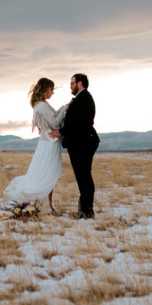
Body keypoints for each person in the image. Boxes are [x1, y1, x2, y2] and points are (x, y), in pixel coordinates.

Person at [3, 78, 68, 212]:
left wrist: (62, 109)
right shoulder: (42, 106)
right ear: (45, 89)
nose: (53, 93)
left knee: (48, 174)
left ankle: (48, 205)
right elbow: (55, 123)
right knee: (48, 174)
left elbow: (51, 120)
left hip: (48, 143)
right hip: (49, 145)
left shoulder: (40, 105)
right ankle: (46, 205)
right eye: (51, 89)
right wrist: (66, 107)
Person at [50, 73, 99, 218]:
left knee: (84, 176)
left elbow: (78, 122)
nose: (70, 86)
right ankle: (85, 210)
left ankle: (86, 211)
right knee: (83, 176)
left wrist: (61, 132)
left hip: (83, 143)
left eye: (72, 83)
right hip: (81, 142)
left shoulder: (84, 98)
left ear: (80, 83)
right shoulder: (81, 98)